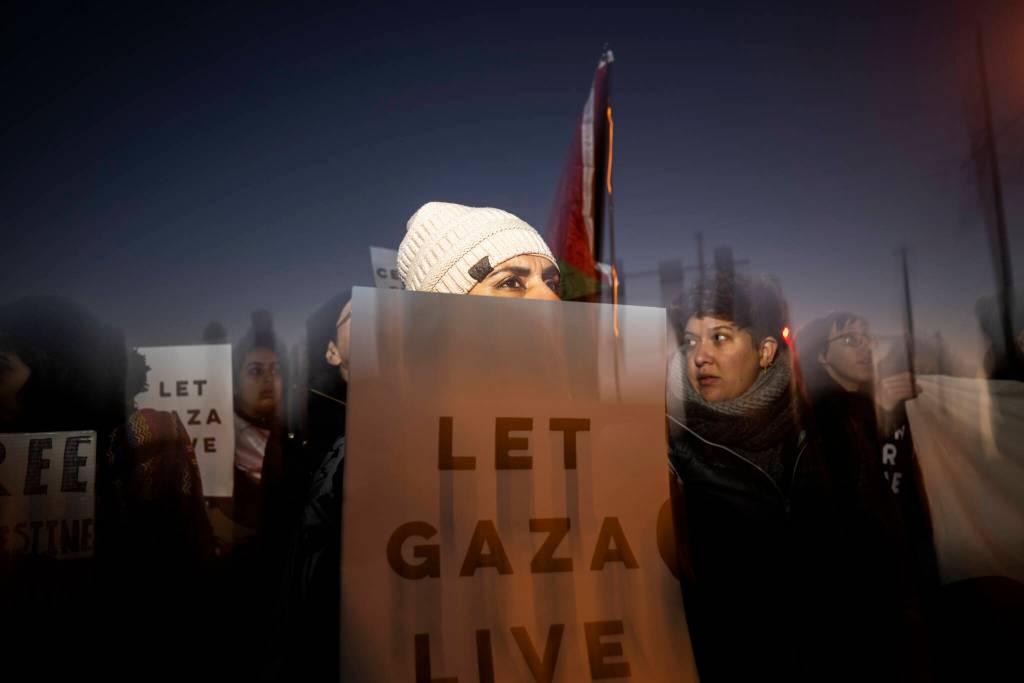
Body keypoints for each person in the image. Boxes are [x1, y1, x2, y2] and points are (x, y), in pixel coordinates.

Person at [278, 201, 560, 679]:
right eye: (512, 282)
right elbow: (323, 630)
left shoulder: (601, 435)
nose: (550, 303)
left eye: (551, 282)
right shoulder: (370, 459)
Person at [667, 272, 910, 682]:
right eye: (691, 341)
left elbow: (879, 558)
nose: (700, 356)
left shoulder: (827, 434)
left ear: (765, 352)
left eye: (720, 337)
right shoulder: (672, 454)